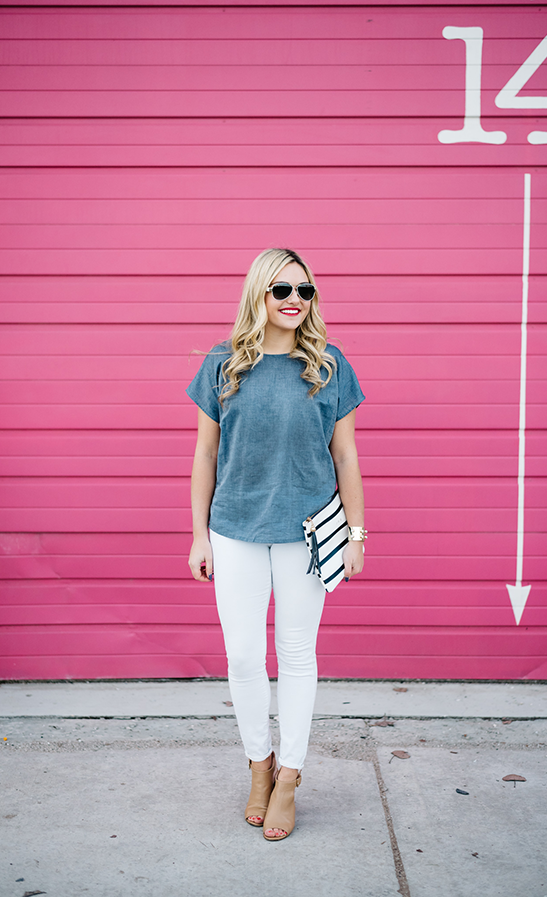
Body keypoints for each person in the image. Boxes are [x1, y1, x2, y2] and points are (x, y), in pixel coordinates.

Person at [186, 247, 366, 840]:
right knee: (242, 657)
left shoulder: (330, 364)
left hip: (309, 532)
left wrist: (357, 533)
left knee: (295, 654)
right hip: (233, 528)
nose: (294, 300)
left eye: (305, 291)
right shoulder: (223, 364)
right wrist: (197, 536)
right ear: (259, 295)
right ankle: (257, 766)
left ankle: (289, 775)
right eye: (282, 290)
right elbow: (205, 455)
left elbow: (346, 455)